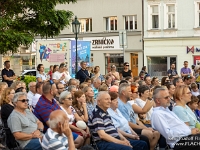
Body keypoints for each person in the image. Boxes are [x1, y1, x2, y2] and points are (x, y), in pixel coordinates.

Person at [117, 83, 160, 150]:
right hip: (130, 128)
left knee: (157, 133)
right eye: (129, 91)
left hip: (136, 124)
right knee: (150, 134)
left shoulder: (128, 103)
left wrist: (145, 127)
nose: (131, 93)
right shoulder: (120, 105)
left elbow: (136, 119)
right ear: (123, 93)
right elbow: (128, 123)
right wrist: (144, 128)